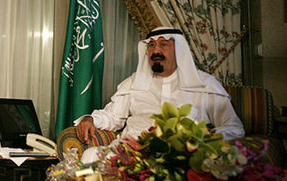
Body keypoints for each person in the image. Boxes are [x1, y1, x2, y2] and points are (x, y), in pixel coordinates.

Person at [75, 27, 244, 162]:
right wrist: (91, 119)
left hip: (181, 157)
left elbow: (233, 128)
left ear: (178, 50)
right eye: (152, 45)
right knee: (91, 156)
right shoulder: (134, 82)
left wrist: (202, 140)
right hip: (131, 151)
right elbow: (113, 116)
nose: (156, 50)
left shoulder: (204, 84)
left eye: (163, 44)